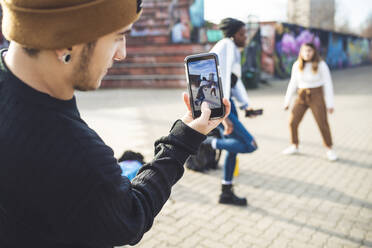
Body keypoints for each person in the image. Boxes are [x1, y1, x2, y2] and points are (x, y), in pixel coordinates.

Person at [0, 0, 231, 247]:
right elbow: (131, 215)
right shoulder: (77, 155)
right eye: (117, 37)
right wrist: (181, 141)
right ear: (67, 40)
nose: (122, 54)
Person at [206, 18, 258, 206]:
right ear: (234, 34)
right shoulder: (227, 45)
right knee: (249, 144)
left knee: (232, 148)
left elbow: (234, 81)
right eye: (243, 33)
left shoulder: (233, 49)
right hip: (222, 105)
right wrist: (224, 115)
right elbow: (219, 78)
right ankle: (208, 143)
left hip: (227, 104)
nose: (245, 37)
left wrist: (246, 106)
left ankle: (226, 192)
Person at [283, 43, 338, 161]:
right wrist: (287, 100)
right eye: (304, 51)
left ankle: (329, 148)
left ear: (314, 52)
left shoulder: (321, 65)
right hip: (301, 95)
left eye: (309, 51)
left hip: (316, 95)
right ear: (301, 52)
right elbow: (292, 83)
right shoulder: (297, 65)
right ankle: (294, 145)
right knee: (293, 121)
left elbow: (328, 84)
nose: (307, 53)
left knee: (322, 122)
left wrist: (330, 104)